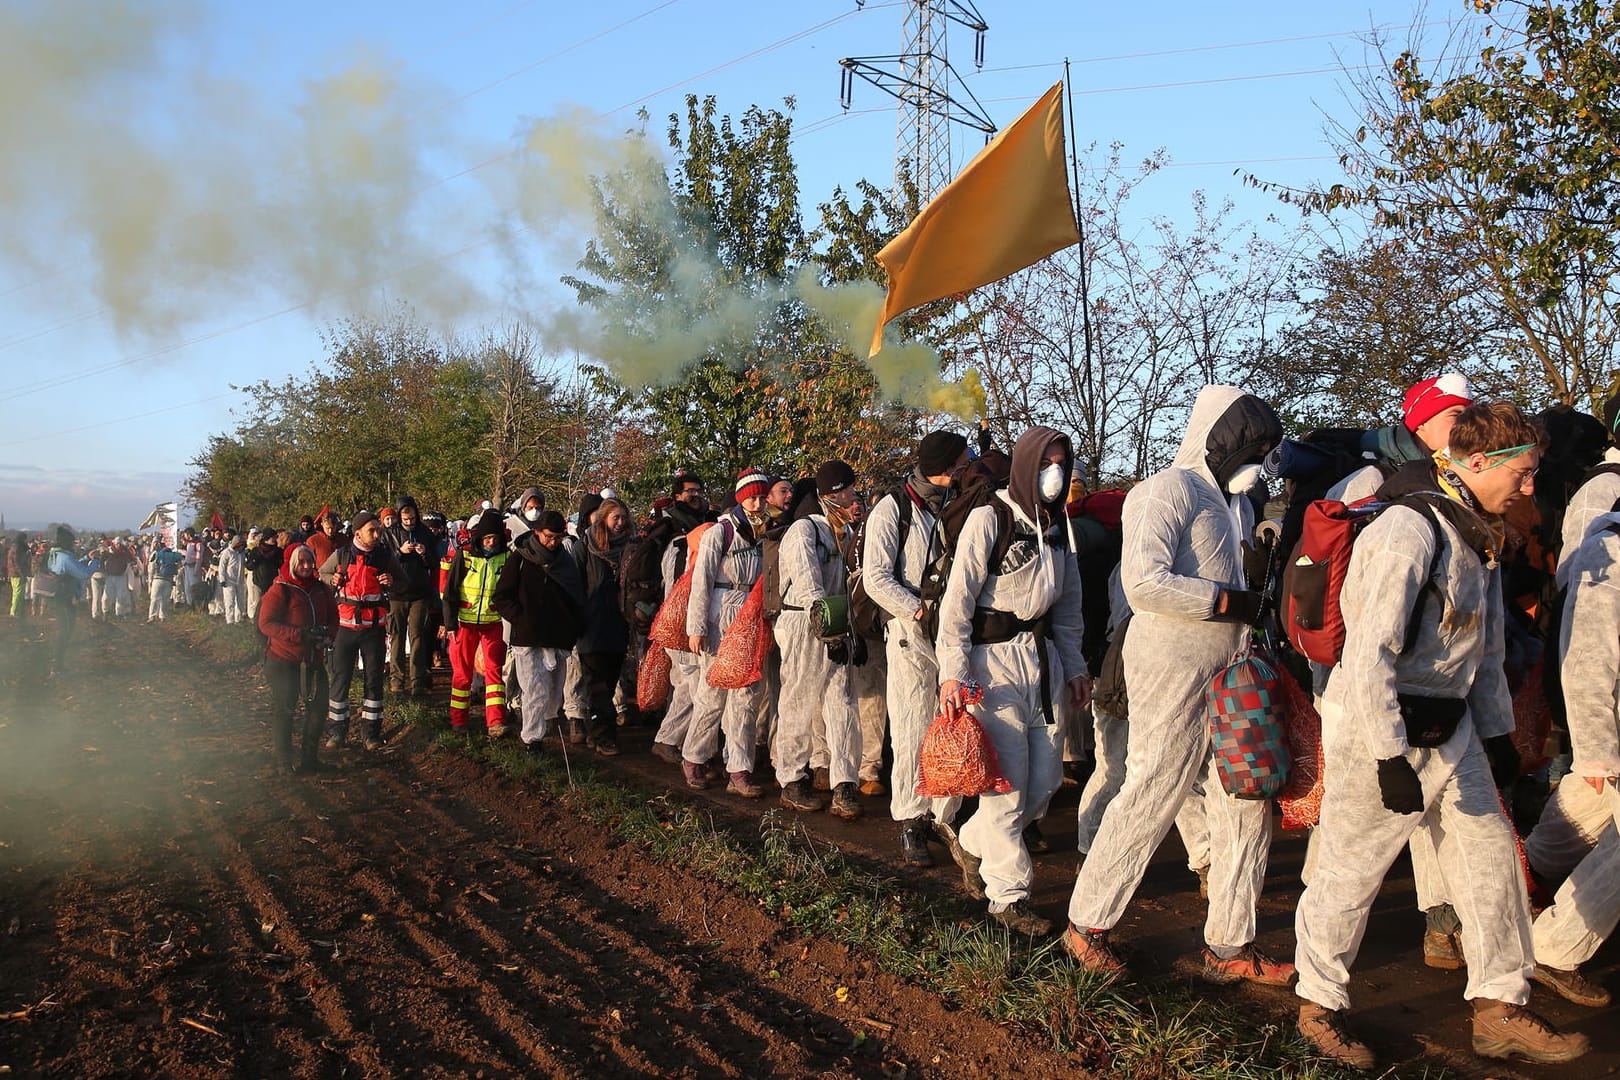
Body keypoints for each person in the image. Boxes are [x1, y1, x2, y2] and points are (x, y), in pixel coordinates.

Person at [1293, 401, 1588, 1068]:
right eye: (1525, 472)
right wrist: (1387, 756)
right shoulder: (1407, 531)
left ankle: (1499, 1007)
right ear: (1477, 462)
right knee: (1350, 873)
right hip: (1385, 733)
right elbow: (1370, 654)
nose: (1530, 486)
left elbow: (1480, 649)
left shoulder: (1472, 532)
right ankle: (1318, 1006)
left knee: (1491, 867)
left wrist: (1496, 734)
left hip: (1453, 735)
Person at [1067, 385, 1288, 983]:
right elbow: (1144, 583)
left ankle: (1230, 944)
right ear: (1215, 439)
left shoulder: (1238, 504)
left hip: (1233, 663)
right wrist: (1227, 600)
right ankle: (1087, 923)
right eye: (1248, 446)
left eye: (1264, 448)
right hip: (1168, 658)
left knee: (1244, 794)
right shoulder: (1164, 491)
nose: (1257, 459)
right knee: (1154, 784)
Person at [935, 427, 1090, 934]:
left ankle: (973, 841)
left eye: (1062, 462)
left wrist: (1075, 666)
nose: (1054, 471)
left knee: (1043, 784)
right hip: (992, 663)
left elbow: (1068, 608)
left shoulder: (1059, 525)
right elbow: (957, 604)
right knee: (1005, 787)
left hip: (1043, 662)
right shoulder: (991, 518)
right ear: (1025, 463)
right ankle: (1008, 897)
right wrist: (953, 673)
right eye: (1046, 461)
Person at [1524, 497, 1620, 1010]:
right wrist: (1598, 750)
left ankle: (1526, 879)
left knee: (1587, 810)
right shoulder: (1609, 551)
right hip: (1612, 731)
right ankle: (1556, 949)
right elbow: (1587, 661)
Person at [863, 430, 971, 866]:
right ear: (945, 466)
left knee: (950, 725)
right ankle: (911, 820)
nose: (969, 466)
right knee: (911, 727)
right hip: (910, 635)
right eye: (963, 460)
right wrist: (918, 611)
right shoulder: (894, 509)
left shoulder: (962, 505)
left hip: (954, 632)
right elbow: (876, 576)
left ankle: (946, 816)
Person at [774, 461, 866, 818]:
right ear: (828, 495)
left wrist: (849, 633)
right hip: (803, 624)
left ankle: (845, 783)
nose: (852, 496)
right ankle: (792, 780)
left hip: (835, 624)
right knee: (798, 698)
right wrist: (829, 633)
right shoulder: (803, 531)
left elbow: (844, 585)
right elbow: (810, 585)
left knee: (842, 702)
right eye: (845, 491)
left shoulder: (840, 533)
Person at [683, 469, 773, 797]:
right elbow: (701, 581)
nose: (758, 502)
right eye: (752, 496)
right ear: (740, 498)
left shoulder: (764, 534)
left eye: (763, 496)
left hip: (750, 616)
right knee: (712, 694)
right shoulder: (720, 534)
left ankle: (739, 769)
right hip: (720, 616)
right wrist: (696, 628)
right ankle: (694, 756)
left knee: (747, 697)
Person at [492, 510, 585, 755]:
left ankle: (545, 726)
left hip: (558, 636)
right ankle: (532, 740)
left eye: (557, 537)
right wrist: (520, 619)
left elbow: (576, 598)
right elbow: (501, 596)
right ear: (536, 533)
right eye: (548, 537)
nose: (552, 542)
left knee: (554, 692)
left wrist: (573, 626)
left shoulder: (565, 562)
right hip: (528, 637)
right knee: (535, 689)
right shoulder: (520, 559)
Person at [321, 511, 402, 751]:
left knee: (374, 682)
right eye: (372, 531)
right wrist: (332, 578)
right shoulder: (342, 555)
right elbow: (321, 574)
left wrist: (391, 580)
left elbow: (404, 581)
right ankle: (337, 733)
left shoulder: (385, 556)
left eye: (378, 530)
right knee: (340, 679)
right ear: (358, 533)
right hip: (345, 629)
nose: (377, 534)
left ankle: (371, 735)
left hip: (374, 630)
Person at [258, 544, 338, 773]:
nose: (306, 566)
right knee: (285, 709)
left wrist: (328, 637)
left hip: (313, 660)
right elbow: (266, 624)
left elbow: (334, 617)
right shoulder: (280, 589)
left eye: (309, 561)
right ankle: (284, 763)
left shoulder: (322, 589)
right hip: (283, 660)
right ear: (292, 563)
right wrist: (299, 635)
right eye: (301, 561)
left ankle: (309, 760)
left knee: (319, 708)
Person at [440, 508, 512, 738]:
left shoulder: (507, 558)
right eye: (487, 538)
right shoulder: (465, 556)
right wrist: (450, 624)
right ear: (479, 537)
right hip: (464, 623)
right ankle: (458, 721)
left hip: (493, 624)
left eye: (495, 538)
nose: (491, 542)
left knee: (494, 674)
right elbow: (450, 592)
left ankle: (496, 722)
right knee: (462, 674)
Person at [576, 498, 634, 756]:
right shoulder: (584, 548)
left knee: (609, 683)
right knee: (596, 684)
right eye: (615, 518)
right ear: (603, 520)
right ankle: (603, 736)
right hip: (591, 625)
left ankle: (594, 728)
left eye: (623, 518)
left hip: (619, 624)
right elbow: (573, 584)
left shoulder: (631, 550)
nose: (620, 523)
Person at [383, 495, 438, 695]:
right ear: (399, 517)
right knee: (397, 636)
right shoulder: (388, 533)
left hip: (419, 593)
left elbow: (434, 562)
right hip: (397, 593)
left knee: (418, 637)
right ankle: (397, 680)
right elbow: (384, 560)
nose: (409, 522)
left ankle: (417, 682)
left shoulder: (425, 533)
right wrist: (400, 551)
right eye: (405, 520)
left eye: (412, 518)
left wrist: (424, 553)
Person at [43, 526, 93, 674]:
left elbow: (70, 567)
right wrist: (95, 561)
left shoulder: (55, 555)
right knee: (65, 631)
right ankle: (57, 666)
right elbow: (83, 574)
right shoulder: (66, 557)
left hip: (56, 596)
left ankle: (57, 664)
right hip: (65, 598)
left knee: (62, 630)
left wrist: (85, 558)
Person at [148, 538, 183, 622]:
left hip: (157, 579)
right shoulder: (174, 556)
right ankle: (163, 617)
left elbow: (151, 567)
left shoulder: (157, 554)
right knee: (165, 599)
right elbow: (179, 565)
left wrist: (150, 580)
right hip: (168, 580)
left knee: (154, 598)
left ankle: (152, 616)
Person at [217, 531, 248, 625]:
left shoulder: (242, 553)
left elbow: (245, 563)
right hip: (229, 581)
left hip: (240, 580)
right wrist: (222, 579)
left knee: (240, 601)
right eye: (240, 545)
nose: (242, 547)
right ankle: (230, 621)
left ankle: (239, 619)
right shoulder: (227, 552)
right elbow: (221, 566)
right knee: (229, 601)